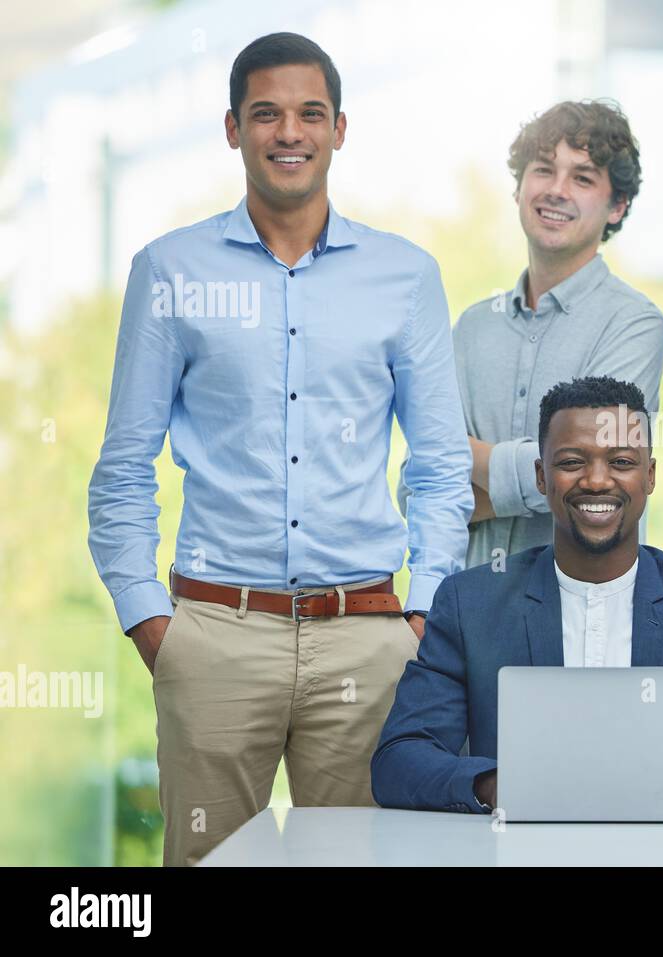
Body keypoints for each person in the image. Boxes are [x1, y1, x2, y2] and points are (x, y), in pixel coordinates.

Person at [86, 33, 474, 866]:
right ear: (233, 129)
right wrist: (151, 620)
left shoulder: (404, 276)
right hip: (214, 632)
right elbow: (123, 467)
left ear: (340, 128)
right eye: (266, 113)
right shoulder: (170, 271)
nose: (288, 132)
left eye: (309, 113)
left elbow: (440, 466)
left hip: (367, 640)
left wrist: (421, 616)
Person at [373, 377, 663, 815]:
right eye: (572, 461)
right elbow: (400, 761)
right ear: (541, 476)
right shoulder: (470, 602)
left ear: (650, 476)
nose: (596, 481)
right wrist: (493, 785)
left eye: (622, 462)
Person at [399, 100, 663, 578]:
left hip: (581, 610)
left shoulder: (636, 325)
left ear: (617, 206)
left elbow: (597, 480)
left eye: (583, 178)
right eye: (544, 170)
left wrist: (464, 466)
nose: (557, 191)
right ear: (521, 186)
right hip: (465, 609)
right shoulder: (473, 327)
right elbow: (414, 487)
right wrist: (541, 478)